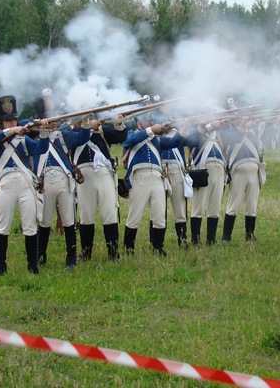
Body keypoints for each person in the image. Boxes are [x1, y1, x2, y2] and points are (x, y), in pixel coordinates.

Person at [0, 95, 49, 276]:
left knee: (30, 226)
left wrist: (44, 132)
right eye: (7, 121)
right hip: (5, 186)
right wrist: (13, 130)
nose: (11, 123)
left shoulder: (23, 140)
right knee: (3, 226)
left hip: (25, 184)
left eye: (13, 119)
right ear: (2, 123)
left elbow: (40, 150)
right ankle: (0, 266)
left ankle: (32, 266)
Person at [33, 91, 91, 270]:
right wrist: (40, 126)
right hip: (45, 182)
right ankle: (40, 256)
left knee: (68, 220)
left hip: (64, 180)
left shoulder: (62, 132)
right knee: (44, 221)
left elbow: (83, 137)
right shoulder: (33, 132)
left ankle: (71, 258)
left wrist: (86, 120)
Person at [121, 113, 183, 256]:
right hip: (139, 177)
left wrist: (184, 127)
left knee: (159, 215)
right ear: (139, 124)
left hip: (157, 177)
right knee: (134, 215)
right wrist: (151, 130)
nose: (150, 122)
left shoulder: (157, 139)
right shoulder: (132, 134)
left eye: (151, 121)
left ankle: (158, 246)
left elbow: (173, 142)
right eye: (146, 121)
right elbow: (129, 140)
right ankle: (128, 248)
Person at [72, 112, 127, 261]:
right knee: (86, 214)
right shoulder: (71, 131)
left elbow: (120, 137)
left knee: (109, 211)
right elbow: (77, 137)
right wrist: (88, 126)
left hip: (103, 172)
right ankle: (86, 252)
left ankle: (113, 253)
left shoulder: (101, 130)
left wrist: (118, 122)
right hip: (83, 174)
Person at [221, 117, 266, 243]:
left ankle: (250, 235)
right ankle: (226, 236)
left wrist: (251, 129)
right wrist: (243, 127)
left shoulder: (251, 133)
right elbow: (235, 138)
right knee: (233, 204)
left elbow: (259, 143)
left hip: (254, 170)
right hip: (238, 170)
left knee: (252, 205)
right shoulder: (229, 133)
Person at [184, 120, 228, 246]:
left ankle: (211, 239)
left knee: (215, 206)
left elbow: (234, 137)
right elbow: (190, 140)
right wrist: (208, 126)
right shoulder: (196, 129)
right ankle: (195, 240)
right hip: (203, 170)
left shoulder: (219, 133)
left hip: (219, 169)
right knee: (199, 207)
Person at [159, 125, 189, 248]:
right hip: (160, 169)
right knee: (159, 208)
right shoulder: (155, 130)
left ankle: (182, 240)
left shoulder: (178, 131)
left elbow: (193, 140)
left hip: (176, 169)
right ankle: (156, 242)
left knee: (180, 208)